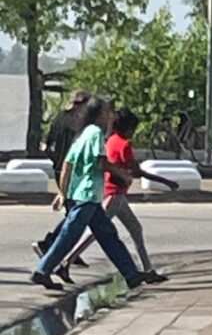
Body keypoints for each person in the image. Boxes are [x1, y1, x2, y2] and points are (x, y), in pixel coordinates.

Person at [30, 96, 143, 292]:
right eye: (108, 112)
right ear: (100, 115)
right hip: (87, 194)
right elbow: (101, 161)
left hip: (82, 194)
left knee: (108, 235)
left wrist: (63, 192)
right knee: (69, 234)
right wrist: (123, 175)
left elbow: (67, 163)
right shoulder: (95, 134)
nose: (111, 116)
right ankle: (42, 270)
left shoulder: (81, 134)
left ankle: (131, 274)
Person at [55, 107, 178, 284]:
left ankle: (148, 270)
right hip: (114, 195)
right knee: (95, 233)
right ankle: (66, 262)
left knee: (135, 229)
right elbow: (137, 171)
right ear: (128, 128)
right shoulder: (124, 144)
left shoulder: (111, 140)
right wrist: (166, 182)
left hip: (114, 194)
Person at [33, 89, 91, 260]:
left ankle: (65, 247)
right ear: (80, 104)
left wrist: (55, 161)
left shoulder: (57, 118)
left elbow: (45, 145)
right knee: (76, 213)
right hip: (71, 170)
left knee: (72, 212)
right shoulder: (76, 122)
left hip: (59, 168)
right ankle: (50, 243)